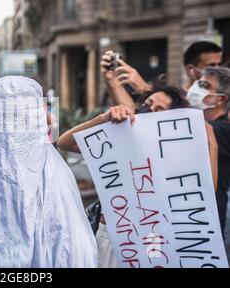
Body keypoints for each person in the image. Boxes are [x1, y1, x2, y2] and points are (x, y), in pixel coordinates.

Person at [57, 79, 219, 268]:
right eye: (147, 105)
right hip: (113, 239)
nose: (149, 111)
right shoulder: (121, 137)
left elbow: (206, 197)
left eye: (159, 110)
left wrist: (211, 145)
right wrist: (103, 119)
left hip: (156, 245)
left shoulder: (177, 159)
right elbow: (64, 142)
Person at [0, 75, 98, 268]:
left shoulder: (53, 183)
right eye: (6, 121)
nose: (12, 138)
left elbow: (74, 252)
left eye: (23, 122)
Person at [186, 66, 230, 236]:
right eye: (198, 83)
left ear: (220, 99)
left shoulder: (222, 131)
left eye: (204, 85)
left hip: (208, 228)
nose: (196, 89)